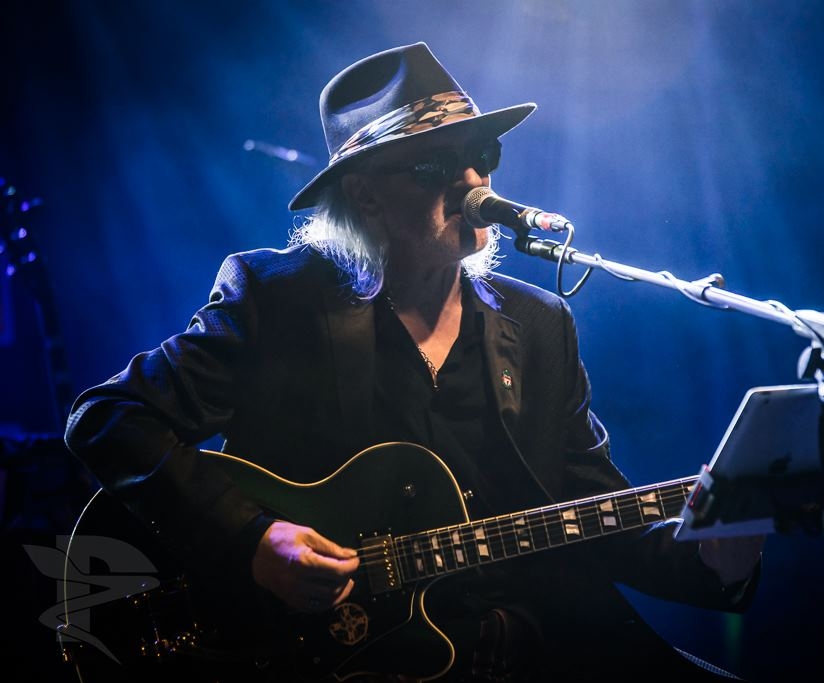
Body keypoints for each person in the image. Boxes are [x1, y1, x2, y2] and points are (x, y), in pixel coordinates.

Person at [64, 42, 764, 682]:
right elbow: (108, 418)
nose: (473, 181)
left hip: (528, 650)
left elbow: (592, 515)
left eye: (482, 153)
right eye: (436, 165)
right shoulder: (278, 299)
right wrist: (253, 539)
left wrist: (721, 545)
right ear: (364, 192)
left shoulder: (538, 324)